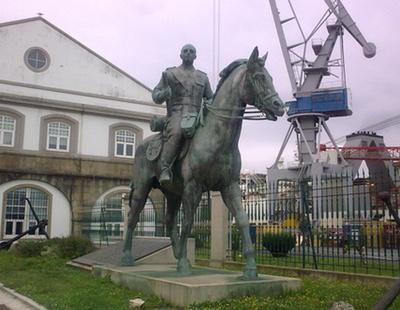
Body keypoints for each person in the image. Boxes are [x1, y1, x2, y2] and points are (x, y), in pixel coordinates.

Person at [152, 44, 213, 185]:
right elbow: (155, 95)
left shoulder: (203, 77)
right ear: (180, 55)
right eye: (185, 51)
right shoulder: (170, 74)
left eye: (191, 51)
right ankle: (165, 168)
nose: (188, 53)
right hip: (176, 114)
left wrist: (210, 103)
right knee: (177, 132)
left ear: (195, 56)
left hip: (197, 116)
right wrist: (164, 93)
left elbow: (210, 97)